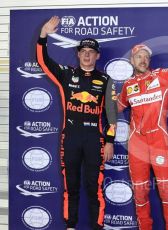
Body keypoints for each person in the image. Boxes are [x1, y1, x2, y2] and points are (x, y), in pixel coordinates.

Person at [36, 16, 117, 230]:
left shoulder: (106, 80)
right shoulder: (66, 74)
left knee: (94, 188)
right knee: (70, 187)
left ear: (97, 55)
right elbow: (43, 61)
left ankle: (97, 226)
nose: (87, 54)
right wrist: (44, 34)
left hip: (94, 140)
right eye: (83, 51)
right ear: (78, 54)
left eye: (91, 52)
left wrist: (109, 141)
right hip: (70, 137)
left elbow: (111, 114)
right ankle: (70, 226)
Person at [117, 17, 168, 230]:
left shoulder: (161, 77)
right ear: (132, 61)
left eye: (145, 57)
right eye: (138, 56)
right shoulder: (127, 86)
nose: (142, 60)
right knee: (140, 194)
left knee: (167, 192)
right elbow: (115, 108)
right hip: (136, 145)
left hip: (159, 139)